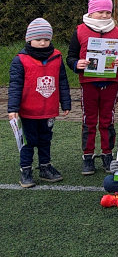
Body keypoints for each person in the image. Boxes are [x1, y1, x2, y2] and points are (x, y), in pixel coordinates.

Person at [66, 0, 118, 176]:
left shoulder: (117, 32)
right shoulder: (80, 31)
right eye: (100, 11)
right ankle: (88, 156)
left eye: (107, 12)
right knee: (89, 120)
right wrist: (76, 64)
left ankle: (107, 154)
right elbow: (71, 56)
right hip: (88, 83)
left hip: (111, 83)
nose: (104, 15)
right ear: (91, 12)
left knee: (107, 120)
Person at [8, 18, 71, 188]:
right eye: (38, 39)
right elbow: (15, 86)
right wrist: (13, 108)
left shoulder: (57, 57)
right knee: (28, 142)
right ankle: (26, 170)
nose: (43, 43)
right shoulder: (20, 60)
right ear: (29, 39)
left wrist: (65, 103)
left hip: (48, 110)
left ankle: (45, 167)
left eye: (46, 39)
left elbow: (62, 81)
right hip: (28, 112)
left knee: (45, 140)